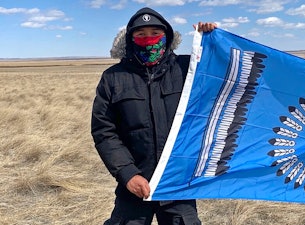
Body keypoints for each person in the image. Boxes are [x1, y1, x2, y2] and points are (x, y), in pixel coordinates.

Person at [91, 7, 216, 225]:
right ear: (130, 39)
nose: (148, 40)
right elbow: (104, 131)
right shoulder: (113, 78)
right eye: (140, 35)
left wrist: (211, 41)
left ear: (167, 37)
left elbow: (222, 81)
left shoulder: (188, 68)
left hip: (177, 183)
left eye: (155, 34)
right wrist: (128, 174)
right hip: (134, 186)